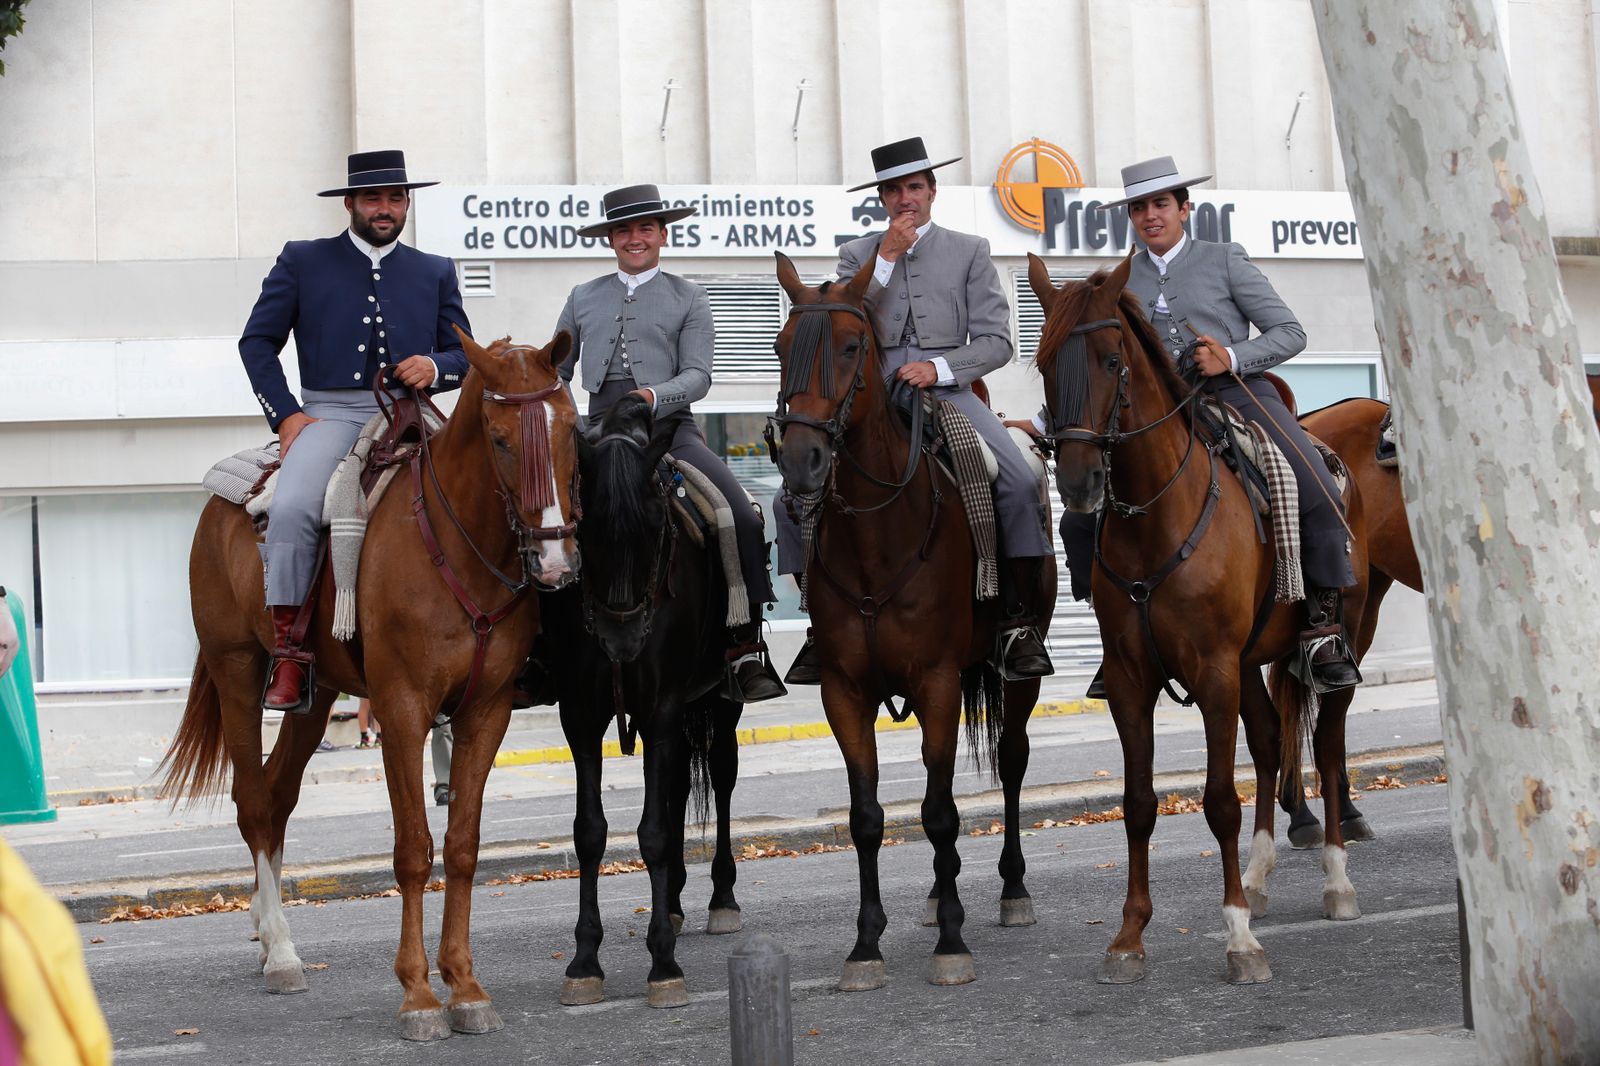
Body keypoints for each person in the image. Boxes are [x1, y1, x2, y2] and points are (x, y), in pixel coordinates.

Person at [1033, 156, 1360, 695]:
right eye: (1138, 208)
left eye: (1160, 204)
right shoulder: (1118, 279)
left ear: (1185, 209)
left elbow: (1289, 332)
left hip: (1234, 391)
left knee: (1311, 483)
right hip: (1148, 412)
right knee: (1079, 518)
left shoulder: (1224, 259)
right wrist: (1050, 421)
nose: (1149, 215)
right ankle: (1119, 635)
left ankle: (1321, 627)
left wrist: (1229, 356)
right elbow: (1093, 367)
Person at [777, 137, 1055, 683]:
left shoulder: (970, 250)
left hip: (946, 392)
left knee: (1019, 481)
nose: (906, 199)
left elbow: (998, 342)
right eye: (895, 190)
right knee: (796, 493)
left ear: (932, 191)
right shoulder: (858, 255)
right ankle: (817, 621)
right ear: (881, 198)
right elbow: (843, 321)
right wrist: (885, 259)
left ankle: (1017, 621)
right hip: (870, 396)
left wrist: (941, 368)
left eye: (915, 187)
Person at [239, 150, 471, 714]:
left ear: (407, 203)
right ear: (350, 203)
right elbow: (257, 343)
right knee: (292, 504)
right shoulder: (303, 260)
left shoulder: (435, 268)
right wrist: (287, 415)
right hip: (331, 415)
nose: (385, 208)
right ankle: (291, 652)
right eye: (373, 198)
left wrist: (436, 367)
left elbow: (465, 354)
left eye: (396, 198)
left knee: (488, 489)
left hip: (412, 413)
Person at [554, 184, 787, 704]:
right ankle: (537, 650)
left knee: (740, 516)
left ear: (662, 234)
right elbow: (558, 371)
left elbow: (699, 377)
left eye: (644, 229)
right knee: (536, 514)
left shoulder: (690, 296)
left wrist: (651, 397)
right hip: (596, 433)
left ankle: (743, 646)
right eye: (623, 230)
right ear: (611, 238)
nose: (634, 238)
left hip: (669, 431)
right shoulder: (581, 296)